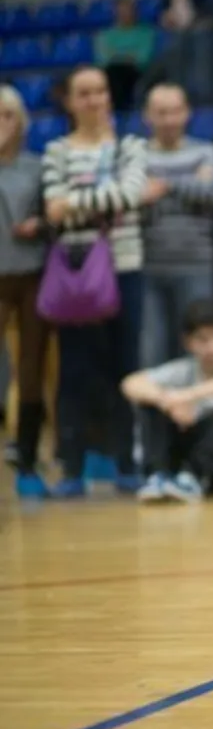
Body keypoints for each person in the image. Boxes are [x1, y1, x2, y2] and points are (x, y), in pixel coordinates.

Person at [42, 65, 148, 498]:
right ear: (69, 101)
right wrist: (94, 202)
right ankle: (72, 467)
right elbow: (52, 208)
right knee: (75, 369)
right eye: (83, 93)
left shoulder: (130, 146)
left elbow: (130, 194)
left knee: (126, 366)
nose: (93, 100)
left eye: (100, 92)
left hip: (125, 267)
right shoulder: (56, 151)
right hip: (75, 273)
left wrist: (76, 202)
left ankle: (126, 461)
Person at [122, 298, 213, 502]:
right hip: (188, 452)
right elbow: (131, 383)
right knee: (150, 400)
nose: (212, 348)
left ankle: (195, 477)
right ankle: (158, 475)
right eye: (203, 339)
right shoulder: (183, 369)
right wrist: (167, 401)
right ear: (188, 342)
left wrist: (188, 395)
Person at [141, 83, 213, 365]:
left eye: (175, 111)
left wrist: (164, 185)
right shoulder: (134, 155)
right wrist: (191, 182)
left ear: (187, 113)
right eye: (161, 112)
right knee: (151, 353)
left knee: (197, 351)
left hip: (196, 265)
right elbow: (130, 198)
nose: (169, 120)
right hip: (146, 268)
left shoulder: (206, 151)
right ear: (147, 116)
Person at [0, 85, 52, 497]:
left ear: (21, 122)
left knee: (31, 367)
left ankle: (29, 460)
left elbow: (57, 217)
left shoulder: (38, 168)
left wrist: (40, 225)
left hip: (34, 276)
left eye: (7, 115)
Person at [94, 0, 156, 112]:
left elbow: (142, 59)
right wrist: (128, 54)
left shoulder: (146, 33)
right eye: (121, 10)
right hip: (111, 73)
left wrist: (117, 55)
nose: (124, 13)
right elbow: (102, 60)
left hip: (136, 73)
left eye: (128, 10)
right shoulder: (105, 35)